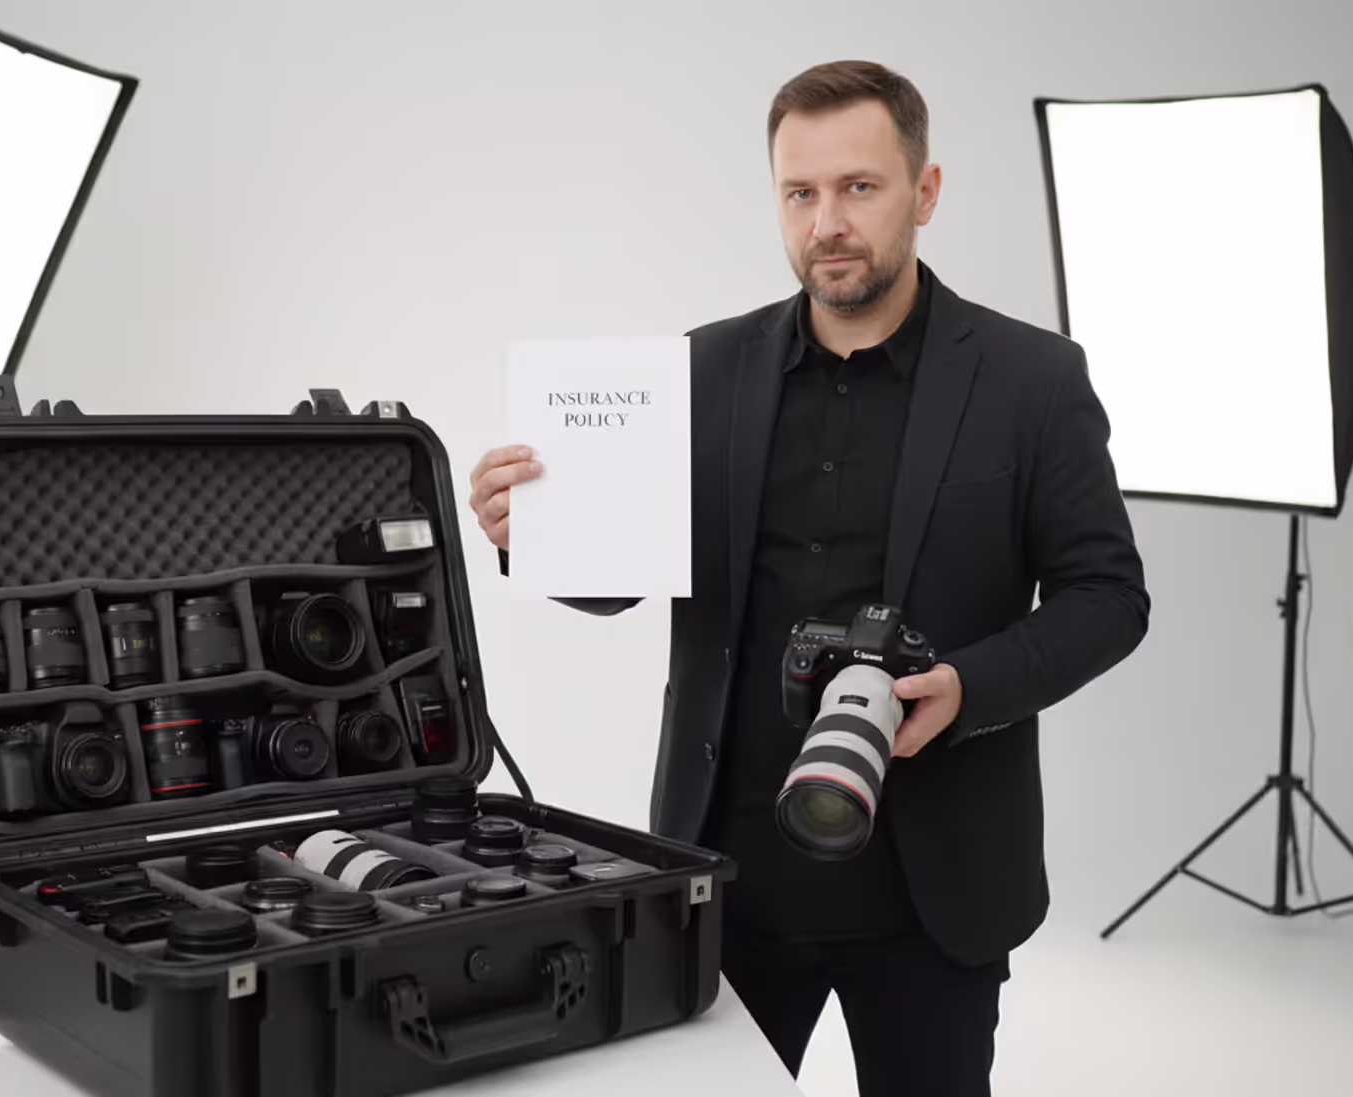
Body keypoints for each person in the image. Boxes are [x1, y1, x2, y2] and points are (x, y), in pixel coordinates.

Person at [467, 60, 1148, 1096]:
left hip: (938, 887)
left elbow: (1109, 597)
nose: (828, 220)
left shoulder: (1033, 379)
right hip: (725, 874)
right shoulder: (701, 368)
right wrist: (533, 532)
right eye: (801, 192)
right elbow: (622, 580)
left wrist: (970, 688)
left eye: (859, 187)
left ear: (924, 192)